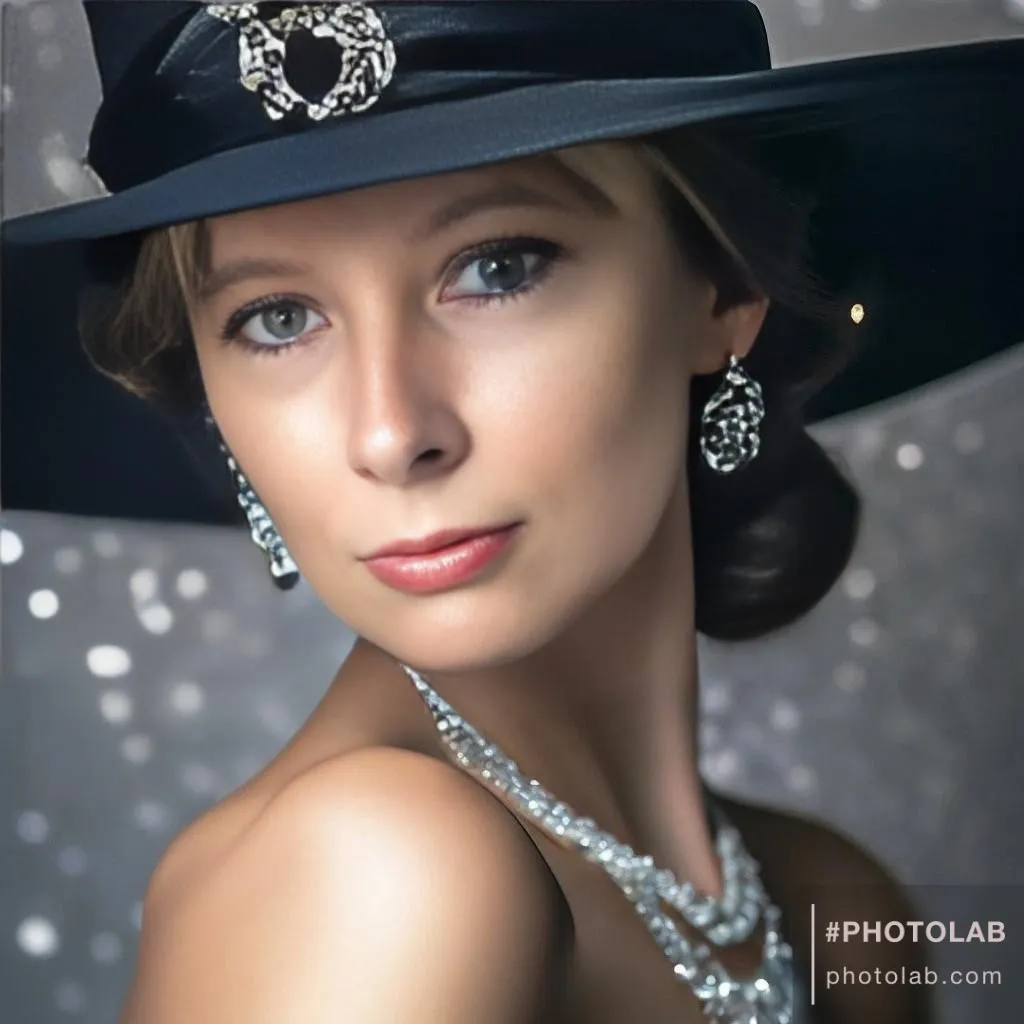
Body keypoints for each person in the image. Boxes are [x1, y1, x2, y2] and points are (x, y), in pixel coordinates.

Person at [4, 2, 1022, 1022]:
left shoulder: (829, 903)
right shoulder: (383, 872)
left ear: (724, 284)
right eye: (277, 319)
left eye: (494, 268)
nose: (391, 433)